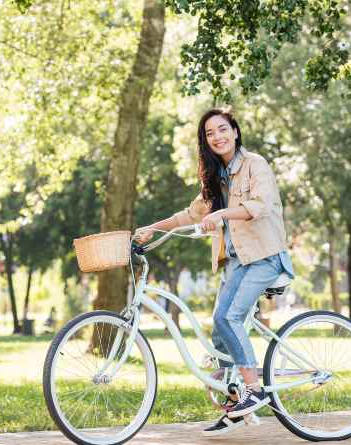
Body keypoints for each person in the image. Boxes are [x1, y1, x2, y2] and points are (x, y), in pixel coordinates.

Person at [134, 108, 294, 436]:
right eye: (210, 133)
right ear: (205, 141)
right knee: (220, 332)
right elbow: (189, 215)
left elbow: (260, 206)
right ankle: (234, 401)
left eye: (223, 129)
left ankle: (254, 389)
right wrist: (152, 227)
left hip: (264, 257)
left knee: (229, 318)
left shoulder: (255, 165)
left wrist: (222, 214)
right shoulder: (215, 176)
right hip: (236, 263)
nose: (217, 136)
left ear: (235, 132)